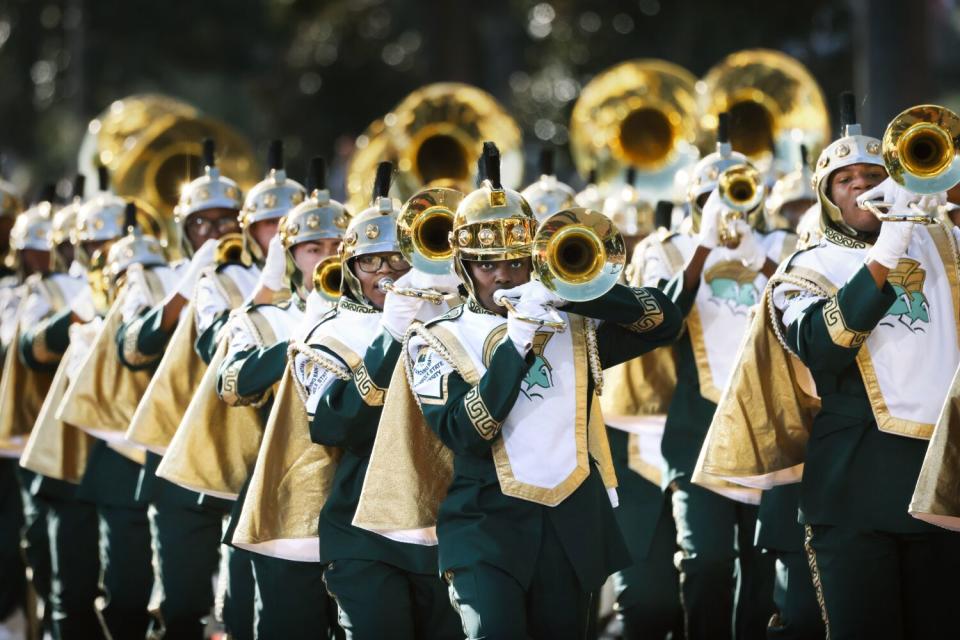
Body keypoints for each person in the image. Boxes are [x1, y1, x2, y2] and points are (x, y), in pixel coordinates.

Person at [356, 143, 682, 639]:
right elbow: (467, 430)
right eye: (488, 264)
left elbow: (663, 323)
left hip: (570, 525)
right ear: (464, 267)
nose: (504, 275)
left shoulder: (574, 325)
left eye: (515, 261)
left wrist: (579, 287)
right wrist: (517, 342)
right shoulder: (433, 341)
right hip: (484, 529)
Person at [289, 161, 462, 639]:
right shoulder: (327, 333)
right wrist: (390, 336)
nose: (386, 272)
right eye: (371, 261)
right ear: (351, 269)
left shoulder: (452, 319)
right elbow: (335, 426)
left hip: (450, 526)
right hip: (363, 533)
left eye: (397, 258)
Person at [639, 114, 785, 639]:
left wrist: (759, 259)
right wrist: (703, 246)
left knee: (763, 567)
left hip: (768, 430)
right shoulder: (666, 250)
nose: (726, 206)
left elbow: (807, 315)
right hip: (695, 431)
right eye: (712, 198)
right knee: (705, 562)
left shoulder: (781, 247)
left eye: (737, 193)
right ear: (693, 201)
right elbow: (658, 321)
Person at [115, 138, 253, 639]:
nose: (215, 232)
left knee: (245, 607)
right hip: (177, 452)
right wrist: (188, 284)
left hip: (246, 448)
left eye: (225, 221)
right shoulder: (157, 280)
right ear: (183, 229)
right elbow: (134, 346)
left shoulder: (263, 276)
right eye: (202, 222)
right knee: (182, 604)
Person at [217, 156, 346, 639]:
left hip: (362, 506)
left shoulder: (387, 317)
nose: (329, 258)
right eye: (314, 249)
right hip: (284, 503)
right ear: (290, 257)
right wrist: (300, 340)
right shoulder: (262, 319)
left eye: (339, 246)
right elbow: (230, 384)